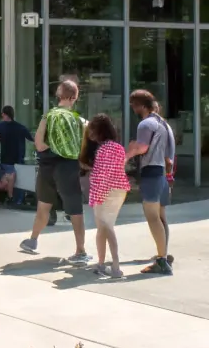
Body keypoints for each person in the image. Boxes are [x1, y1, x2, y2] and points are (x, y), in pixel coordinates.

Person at [19, 78, 88, 263]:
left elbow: (39, 145)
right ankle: (80, 251)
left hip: (46, 168)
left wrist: (52, 148)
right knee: (75, 210)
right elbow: (85, 148)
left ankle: (32, 241)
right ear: (74, 97)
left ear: (58, 95)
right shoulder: (79, 121)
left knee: (43, 206)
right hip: (68, 168)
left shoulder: (48, 116)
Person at [126, 89, 175, 276]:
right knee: (161, 217)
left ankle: (162, 261)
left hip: (151, 173)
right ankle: (163, 254)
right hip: (162, 173)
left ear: (140, 105)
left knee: (152, 217)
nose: (132, 108)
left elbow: (143, 147)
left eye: (133, 104)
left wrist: (127, 154)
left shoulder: (145, 124)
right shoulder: (163, 123)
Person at [81, 113, 130, 280]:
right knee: (104, 228)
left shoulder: (102, 150)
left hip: (105, 191)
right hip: (119, 190)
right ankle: (102, 264)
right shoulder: (118, 147)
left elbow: (101, 176)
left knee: (106, 227)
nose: (91, 134)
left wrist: (96, 196)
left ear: (99, 131)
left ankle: (115, 266)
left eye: (93, 130)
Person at [0, 104, 34, 206]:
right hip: (19, 160)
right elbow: (32, 138)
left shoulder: (0, 127)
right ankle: (18, 201)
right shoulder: (21, 128)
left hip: (6, 160)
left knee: (8, 179)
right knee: (20, 182)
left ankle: (10, 198)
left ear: (3, 114)